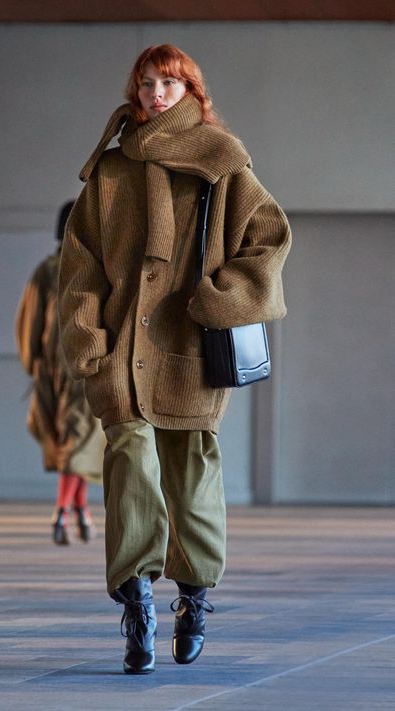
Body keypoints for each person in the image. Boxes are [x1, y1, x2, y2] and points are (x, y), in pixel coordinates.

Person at [58, 44, 291, 673]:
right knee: (129, 463)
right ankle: (136, 603)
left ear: (190, 88)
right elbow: (78, 268)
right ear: (134, 92)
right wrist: (89, 340)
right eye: (146, 83)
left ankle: (195, 597)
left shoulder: (221, 160)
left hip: (188, 346)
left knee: (191, 474)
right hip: (122, 348)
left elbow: (269, 236)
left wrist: (225, 298)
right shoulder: (110, 174)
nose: (156, 93)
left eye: (169, 82)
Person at [15, 201, 104, 546]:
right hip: (80, 369)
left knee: (75, 445)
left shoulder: (49, 269)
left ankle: (70, 511)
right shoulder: (89, 268)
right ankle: (68, 511)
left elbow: (29, 322)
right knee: (77, 443)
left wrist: (32, 361)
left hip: (61, 371)